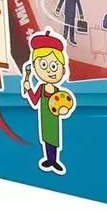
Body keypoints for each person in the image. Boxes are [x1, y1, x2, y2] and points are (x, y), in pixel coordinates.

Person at [22, 29, 75, 175]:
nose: (50, 71)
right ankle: (49, 159)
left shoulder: (58, 91)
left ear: (62, 70)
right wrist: (28, 88)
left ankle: (55, 160)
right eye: (43, 65)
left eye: (54, 66)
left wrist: (64, 110)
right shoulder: (41, 87)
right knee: (46, 139)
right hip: (44, 119)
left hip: (54, 119)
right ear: (35, 67)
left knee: (54, 139)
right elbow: (34, 101)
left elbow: (64, 104)